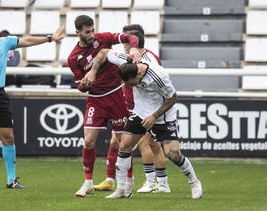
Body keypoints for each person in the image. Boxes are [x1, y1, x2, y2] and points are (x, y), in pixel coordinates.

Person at [0, 14, 64, 189]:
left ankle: (11, 180)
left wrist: (50, 38)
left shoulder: (3, 42)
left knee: (8, 137)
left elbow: (27, 41)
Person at [95, 49, 203, 199]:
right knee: (124, 144)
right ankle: (121, 189)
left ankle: (194, 182)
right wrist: (92, 73)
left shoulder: (159, 75)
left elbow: (173, 98)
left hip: (162, 116)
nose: (131, 87)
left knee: (173, 155)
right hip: (140, 113)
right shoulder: (126, 62)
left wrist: (154, 116)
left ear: (139, 74)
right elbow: (104, 52)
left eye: (132, 83)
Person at [67, 15, 141, 197]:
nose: (92, 34)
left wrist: (133, 48)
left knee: (124, 142)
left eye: (93, 30)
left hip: (117, 95)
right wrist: (85, 84)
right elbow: (79, 86)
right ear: (78, 33)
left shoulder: (104, 38)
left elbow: (132, 38)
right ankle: (88, 183)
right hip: (95, 99)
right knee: (89, 141)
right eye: (87, 32)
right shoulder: (73, 58)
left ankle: (128, 184)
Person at [121, 25, 170, 193]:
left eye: (125, 40)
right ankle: (162, 184)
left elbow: (160, 85)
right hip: (137, 107)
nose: (124, 44)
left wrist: (156, 112)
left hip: (150, 109)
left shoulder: (149, 58)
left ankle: (153, 182)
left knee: (147, 143)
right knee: (150, 143)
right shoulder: (132, 58)